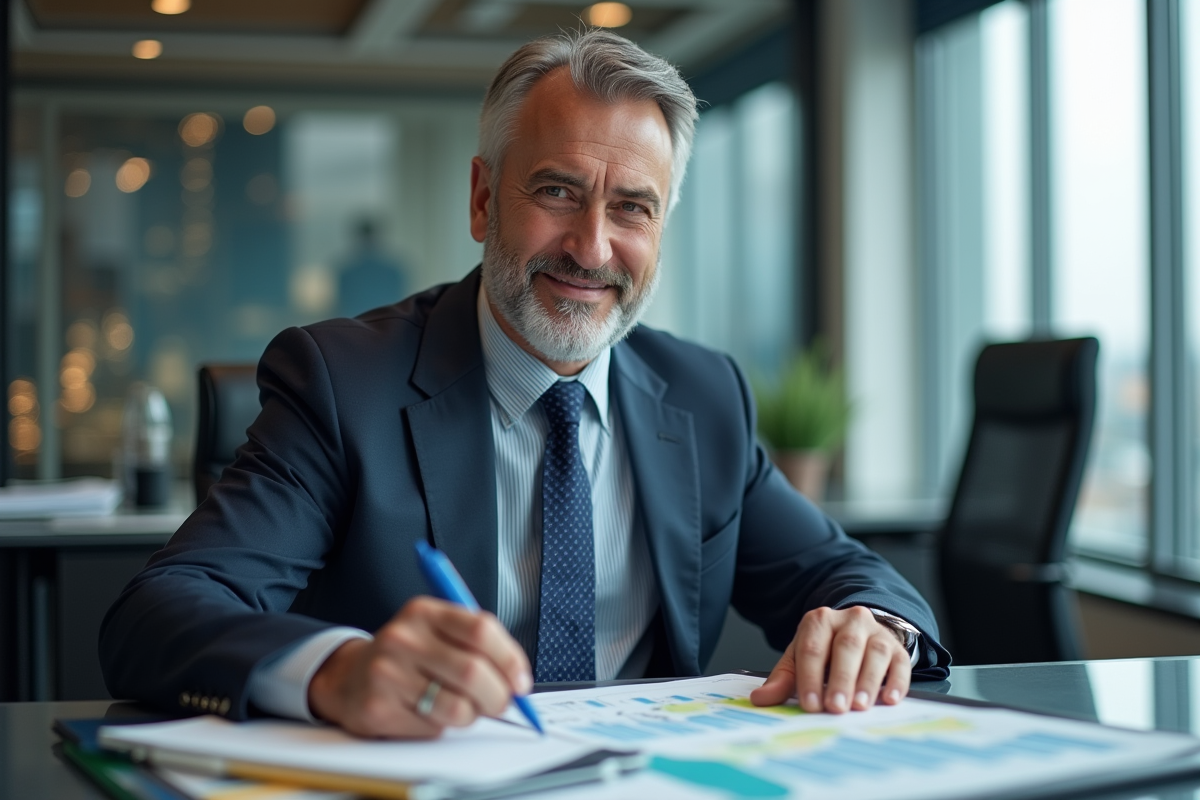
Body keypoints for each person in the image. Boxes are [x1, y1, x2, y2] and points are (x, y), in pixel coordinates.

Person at [100, 28, 949, 740]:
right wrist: (336, 671)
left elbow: (852, 577)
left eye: (632, 208)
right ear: (482, 200)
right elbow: (159, 613)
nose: (591, 246)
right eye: (556, 191)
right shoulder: (341, 385)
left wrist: (875, 631)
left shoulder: (702, 396)